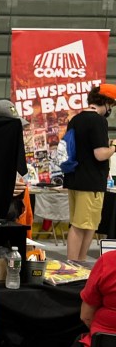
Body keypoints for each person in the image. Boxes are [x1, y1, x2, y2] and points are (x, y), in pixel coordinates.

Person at [63, 83, 116, 262]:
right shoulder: (98, 121)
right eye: (112, 104)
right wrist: (113, 147)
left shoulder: (76, 119)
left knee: (84, 224)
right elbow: (100, 154)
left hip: (74, 178)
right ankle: (74, 264)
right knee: (82, 225)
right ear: (106, 102)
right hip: (91, 181)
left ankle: (79, 263)